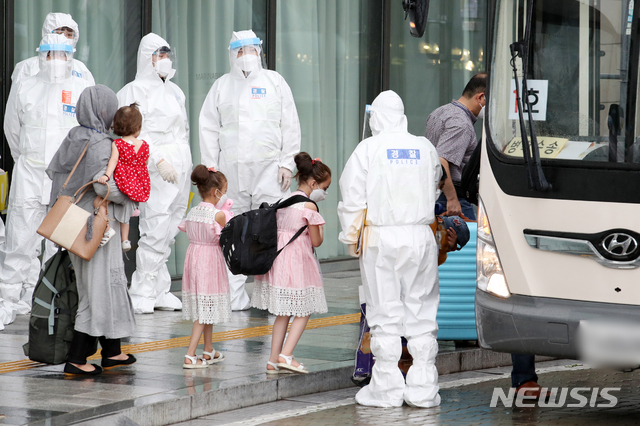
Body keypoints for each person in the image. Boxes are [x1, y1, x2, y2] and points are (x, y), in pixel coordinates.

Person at [338, 90, 442, 408]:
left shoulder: (368, 149)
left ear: (377, 117)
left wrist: (352, 237)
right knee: (421, 311)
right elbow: (436, 182)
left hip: (381, 238)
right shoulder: (425, 147)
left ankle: (386, 389)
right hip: (421, 236)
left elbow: (353, 197)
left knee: (384, 313)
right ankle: (423, 387)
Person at [200, 29, 301, 311]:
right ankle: (234, 296)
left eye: (251, 50)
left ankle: (274, 294)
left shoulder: (275, 82)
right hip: (231, 172)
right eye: (240, 51)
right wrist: (212, 169)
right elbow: (208, 128)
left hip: (270, 171)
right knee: (233, 231)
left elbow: (290, 124)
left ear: (259, 51)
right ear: (232, 54)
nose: (246, 56)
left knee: (272, 230)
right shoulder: (221, 86)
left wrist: (287, 163)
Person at [46, 85, 136, 375]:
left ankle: (112, 351)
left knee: (97, 285)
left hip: (72, 224)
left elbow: (57, 176)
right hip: (95, 226)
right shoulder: (100, 142)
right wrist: (132, 193)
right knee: (99, 288)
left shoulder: (74, 137)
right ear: (102, 110)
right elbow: (101, 185)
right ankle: (76, 358)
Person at [1, 34, 93, 317]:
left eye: (62, 53)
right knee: (19, 243)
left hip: (68, 181)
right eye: (51, 53)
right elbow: (12, 129)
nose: (56, 59)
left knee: (63, 246)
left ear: (71, 56)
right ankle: (5, 303)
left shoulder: (81, 87)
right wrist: (27, 161)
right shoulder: (26, 87)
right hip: (29, 176)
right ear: (42, 55)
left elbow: (90, 133)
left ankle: (56, 306)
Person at [117, 33, 192, 314]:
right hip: (154, 168)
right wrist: (159, 160)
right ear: (148, 58)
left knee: (171, 228)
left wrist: (185, 163)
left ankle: (159, 289)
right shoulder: (133, 91)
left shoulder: (175, 91)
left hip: (179, 166)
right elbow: (135, 132)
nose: (165, 60)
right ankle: (142, 290)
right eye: (160, 55)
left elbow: (182, 132)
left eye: (167, 55)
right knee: (155, 227)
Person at [251, 153, 329, 375]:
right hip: (297, 262)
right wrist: (321, 227)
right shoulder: (309, 206)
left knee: (283, 313)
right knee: (303, 310)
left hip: (278, 262)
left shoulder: (285, 201)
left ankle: (273, 360)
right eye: (325, 187)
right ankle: (287, 355)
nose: (325, 192)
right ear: (313, 183)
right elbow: (316, 241)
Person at [179, 165, 231, 368]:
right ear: (216, 191)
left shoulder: (193, 211)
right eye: (223, 190)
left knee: (206, 305)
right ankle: (190, 355)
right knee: (204, 309)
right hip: (210, 260)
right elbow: (228, 233)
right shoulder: (217, 215)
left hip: (194, 258)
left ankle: (208, 349)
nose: (224, 195)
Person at [425, 73, 487, 220]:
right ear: (480, 97)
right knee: (470, 241)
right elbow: (440, 161)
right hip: (451, 198)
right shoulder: (461, 124)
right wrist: (452, 200)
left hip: (434, 194)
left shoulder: (440, 111)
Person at [94, 103, 150, 252]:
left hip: (123, 183)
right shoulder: (144, 145)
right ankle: (125, 240)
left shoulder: (118, 144)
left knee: (99, 201)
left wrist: (106, 175)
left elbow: (112, 161)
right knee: (126, 209)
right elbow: (145, 164)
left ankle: (106, 229)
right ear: (137, 126)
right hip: (138, 186)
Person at [12, 12, 94, 85]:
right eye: (59, 33)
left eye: (69, 35)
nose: (64, 38)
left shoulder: (81, 69)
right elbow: (17, 98)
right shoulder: (27, 67)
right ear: (47, 34)